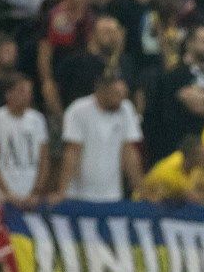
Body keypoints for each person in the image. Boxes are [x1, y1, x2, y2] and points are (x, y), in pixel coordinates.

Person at [56, 72, 143, 203]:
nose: (121, 100)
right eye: (117, 95)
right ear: (102, 92)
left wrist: (140, 189)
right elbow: (72, 152)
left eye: (123, 95)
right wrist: (62, 191)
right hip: (80, 195)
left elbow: (129, 152)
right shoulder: (78, 110)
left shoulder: (126, 109)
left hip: (112, 194)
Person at [0, 74, 49, 204]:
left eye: (29, 92)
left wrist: (36, 191)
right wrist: (6, 193)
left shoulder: (38, 120)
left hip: (31, 196)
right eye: (22, 91)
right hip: (3, 195)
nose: (27, 96)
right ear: (8, 94)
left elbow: (44, 158)